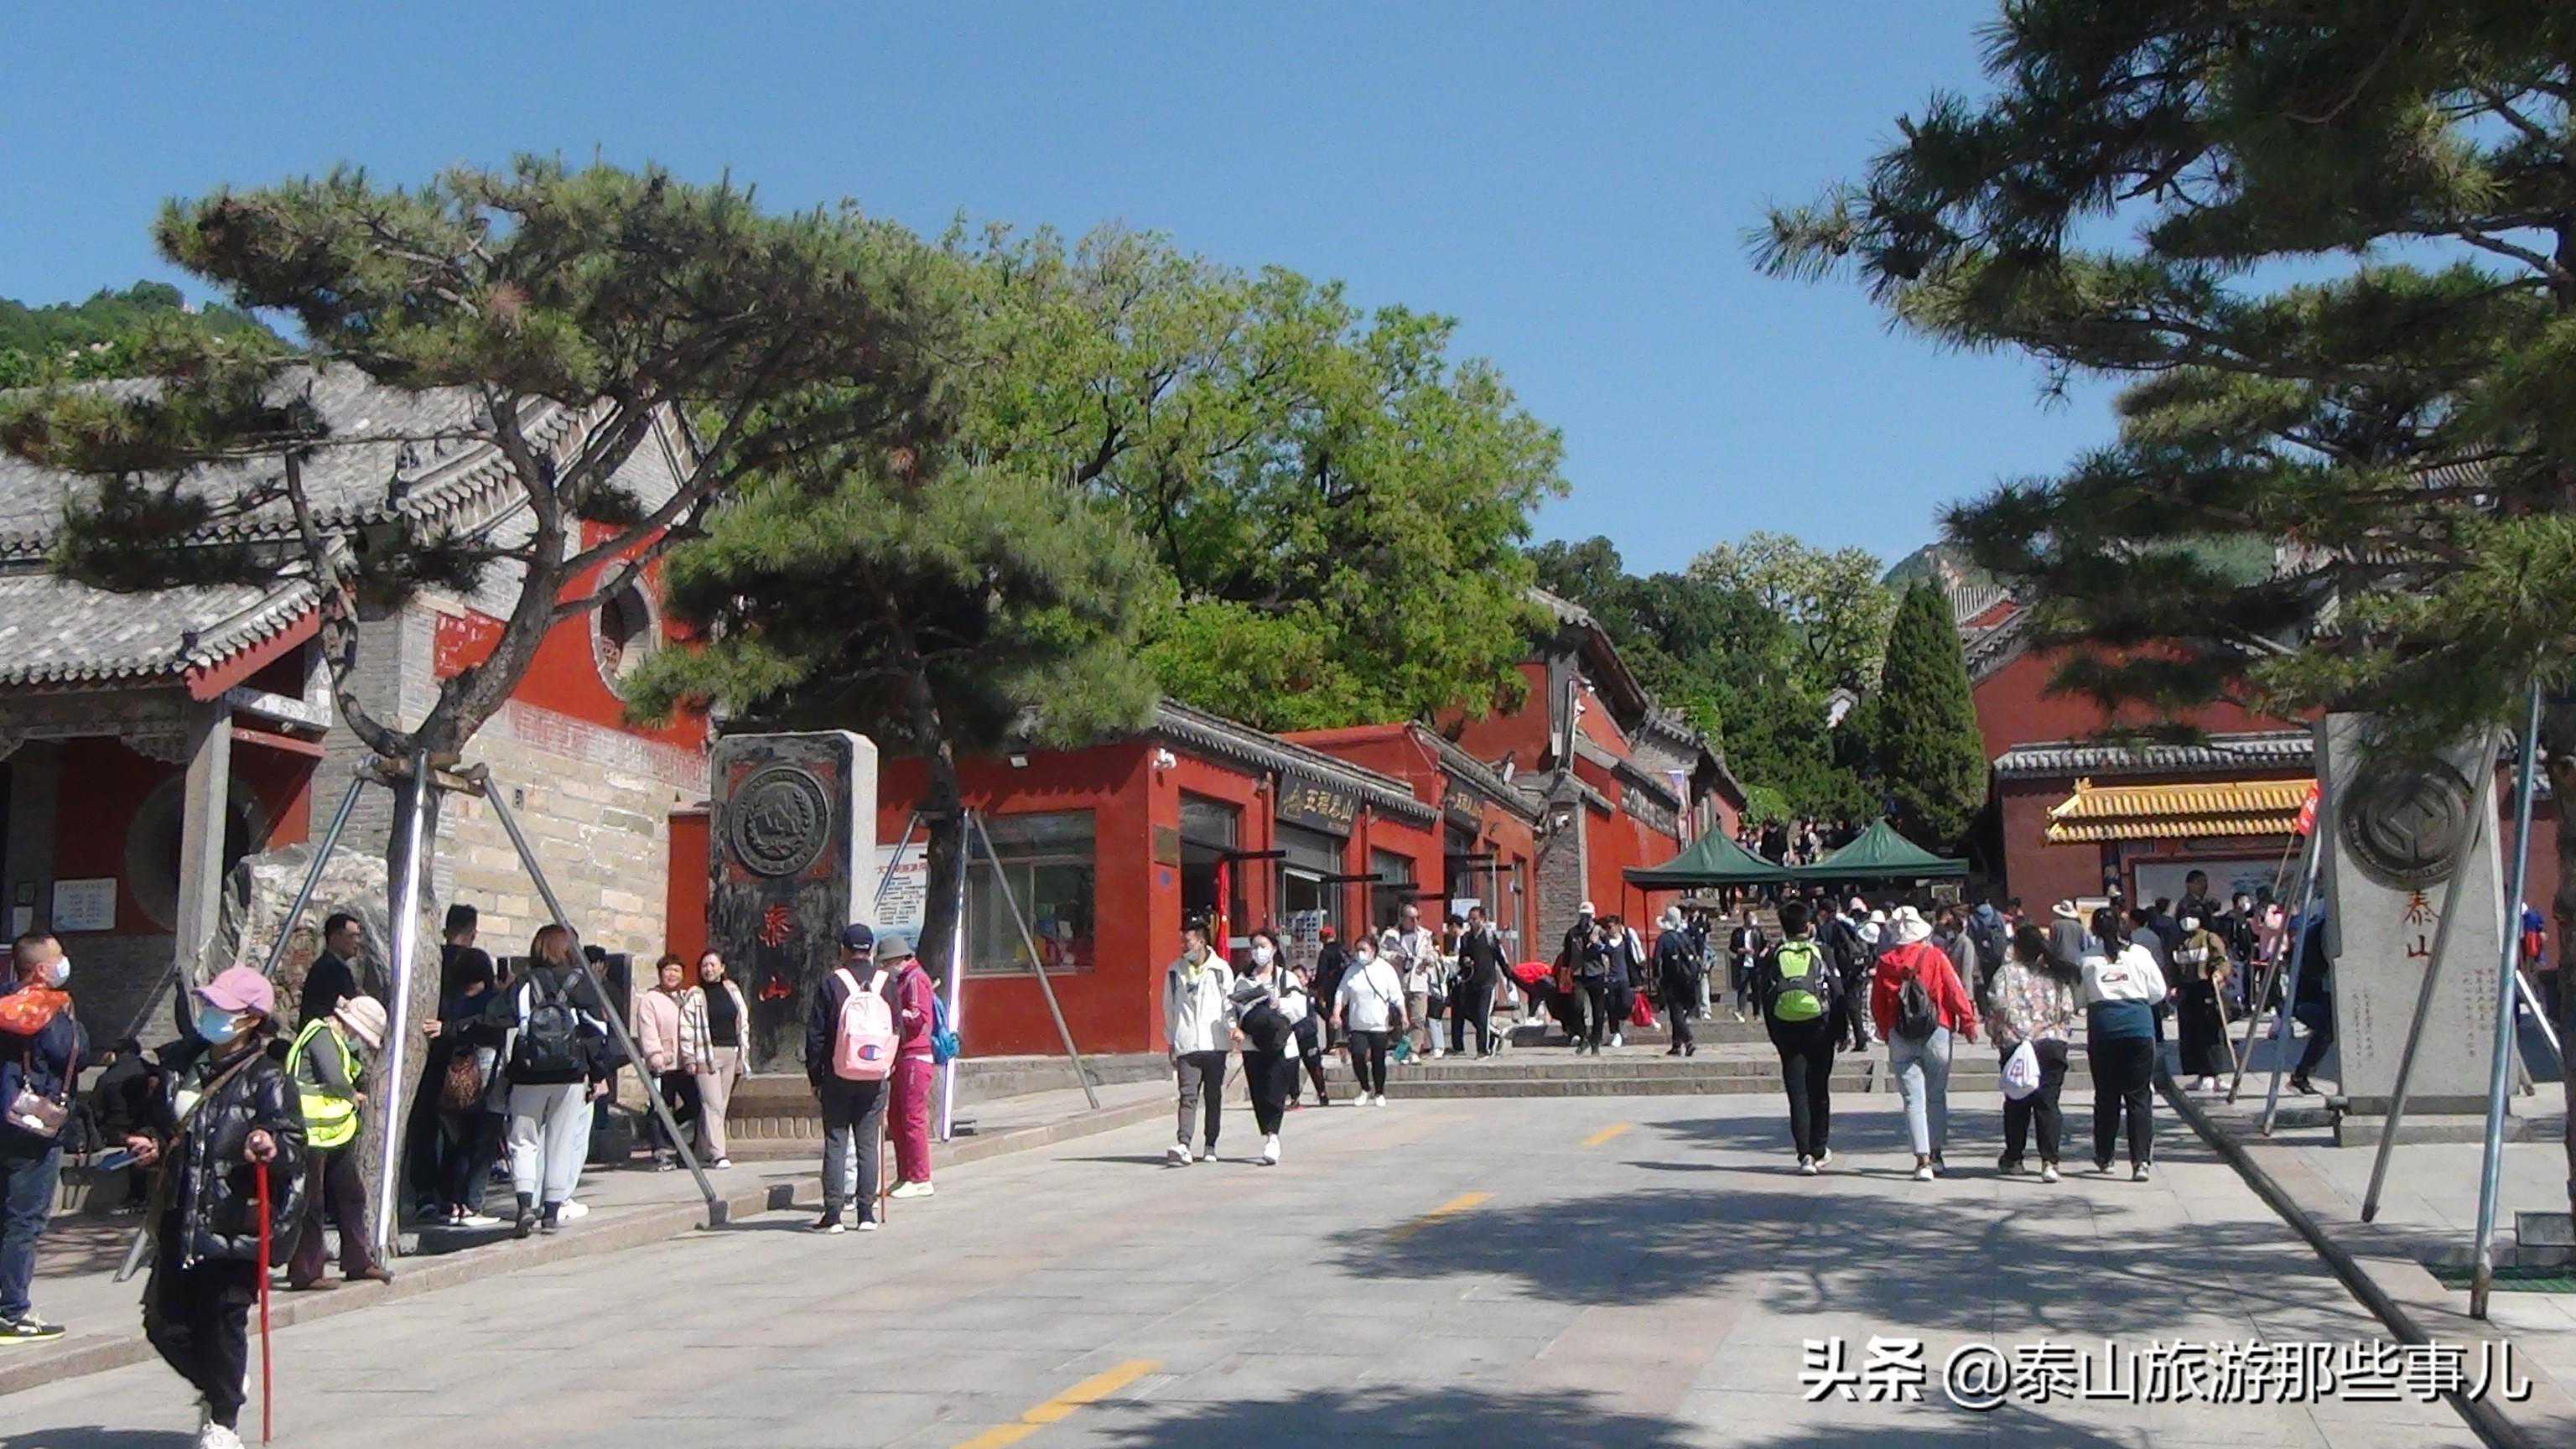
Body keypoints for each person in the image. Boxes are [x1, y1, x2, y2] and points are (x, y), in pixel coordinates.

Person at [118, 967, 306, 1449]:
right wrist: (152, 1142)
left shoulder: (267, 1077)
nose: (212, 1015)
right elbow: (167, 1127)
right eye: (211, 1005)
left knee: (223, 1321)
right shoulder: (182, 1065)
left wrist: (268, 1143)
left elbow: (292, 1145)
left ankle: (223, 1421)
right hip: (180, 1214)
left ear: (251, 1019)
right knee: (163, 1323)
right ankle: (223, 1384)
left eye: (224, 1008)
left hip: (232, 1216)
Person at [1, 933, 86, 1341]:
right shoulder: (51, 1009)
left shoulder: (4, 1003)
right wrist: (70, 1018)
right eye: (58, 957)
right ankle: (12, 1311)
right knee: (24, 1220)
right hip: (31, 1128)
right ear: (40, 969)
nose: (64, 962)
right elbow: (72, 1054)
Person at [501, 924, 610, 1238]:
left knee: (524, 1140)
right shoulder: (581, 983)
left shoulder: (524, 983)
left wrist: (452, 1027)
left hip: (528, 1073)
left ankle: (525, 1204)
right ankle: (551, 1212)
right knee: (561, 1143)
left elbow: (497, 1018)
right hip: (570, 1075)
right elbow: (596, 1034)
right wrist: (598, 1074)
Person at [283, 993, 392, 1289]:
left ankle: (358, 1261)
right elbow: (334, 1078)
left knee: (351, 1194)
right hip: (309, 1132)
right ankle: (306, 1272)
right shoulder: (321, 1036)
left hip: (333, 1133)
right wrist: (352, 1095)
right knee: (312, 1202)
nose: (359, 1041)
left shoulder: (335, 1040)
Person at [1870, 905, 1978, 1182]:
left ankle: (1922, 1159)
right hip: (1936, 1029)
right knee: (1936, 1095)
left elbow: (1877, 1003)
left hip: (1900, 1033)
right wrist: (1968, 1023)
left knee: (1912, 1099)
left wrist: (1886, 1031)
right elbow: (1954, 991)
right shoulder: (1935, 956)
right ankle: (1937, 1154)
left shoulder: (1885, 962)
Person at [804, 924, 891, 1232]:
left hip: (837, 1074)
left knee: (836, 1141)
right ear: (871, 949)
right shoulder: (885, 982)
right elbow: (897, 1030)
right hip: (875, 1075)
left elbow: (815, 1035)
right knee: (868, 1144)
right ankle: (866, 1213)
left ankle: (833, 1214)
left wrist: (815, 1076)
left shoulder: (832, 982)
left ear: (843, 949)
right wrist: (887, 1067)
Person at [1756, 901, 1848, 1175]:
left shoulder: (1774, 954)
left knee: (1797, 1093)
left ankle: (1804, 1154)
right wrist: (1841, 1030)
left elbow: (1765, 995)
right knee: (1818, 1089)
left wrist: (1775, 1033)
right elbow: (1837, 990)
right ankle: (1819, 1148)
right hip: (1819, 1028)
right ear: (1808, 926)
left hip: (1786, 1029)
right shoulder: (1822, 951)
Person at [419, 952, 506, 1225]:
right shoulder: (492, 1002)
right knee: (483, 1143)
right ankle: (471, 1205)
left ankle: (451, 1202)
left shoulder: (447, 1003)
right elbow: (494, 1028)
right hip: (485, 1079)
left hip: (450, 1083)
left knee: (456, 1145)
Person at [2081, 908, 2168, 1179]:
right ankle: (2140, 1161)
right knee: (2139, 1096)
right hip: (2138, 1027)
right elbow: (2158, 992)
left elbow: (2080, 998)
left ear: (2094, 930)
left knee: (2106, 1095)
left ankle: (2105, 1156)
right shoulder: (2140, 954)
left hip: (2104, 1030)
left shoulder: (2087, 959)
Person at [1987, 925, 2080, 1182]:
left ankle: (2014, 1157)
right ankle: (2050, 1161)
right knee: (2047, 1103)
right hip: (2050, 1042)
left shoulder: (2006, 974)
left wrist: (1997, 1034)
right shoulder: (2056, 975)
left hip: (2016, 1043)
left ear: (2017, 948)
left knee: (2016, 1101)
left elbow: (1998, 1007)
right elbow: (2067, 1009)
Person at [1166, 921, 1240, 1164]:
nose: (1183, 946)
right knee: (1187, 1096)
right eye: (1182, 941)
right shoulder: (1174, 971)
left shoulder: (1220, 969)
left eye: (1187, 941)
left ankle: (1210, 1145)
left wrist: (1232, 1028)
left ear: (1201, 941)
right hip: (1187, 1042)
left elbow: (1228, 1003)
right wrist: (1171, 1040)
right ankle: (1184, 1144)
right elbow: (1168, 1008)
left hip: (1215, 1043)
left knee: (1213, 1096)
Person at [880, 935, 940, 1198]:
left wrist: (891, 1012)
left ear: (898, 959)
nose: (886, 968)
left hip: (916, 1055)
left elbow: (918, 1016)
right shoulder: (904, 980)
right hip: (903, 1055)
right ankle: (905, 1175)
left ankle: (920, 1177)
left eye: (887, 963)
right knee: (897, 1118)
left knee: (912, 1118)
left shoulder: (915, 979)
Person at [634, 953, 701, 1172]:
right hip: (662, 1064)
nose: (672, 975)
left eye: (676, 971)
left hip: (684, 1063)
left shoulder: (685, 997)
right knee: (660, 1107)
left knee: (695, 1105)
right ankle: (660, 1151)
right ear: (660, 973)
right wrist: (655, 1056)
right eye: (668, 970)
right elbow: (648, 1030)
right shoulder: (650, 1000)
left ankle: (680, 1147)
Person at [1230, 950, 1298, 1165]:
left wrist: (1280, 1004)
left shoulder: (1286, 977)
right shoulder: (1243, 981)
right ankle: (1268, 1132)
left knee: (1275, 1091)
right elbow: (1230, 1008)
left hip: (1280, 1044)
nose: (1258, 950)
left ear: (1274, 948)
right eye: (1254, 946)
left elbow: (1301, 1008)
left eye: (1263, 945)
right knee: (1259, 1093)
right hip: (1252, 1044)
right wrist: (1234, 1028)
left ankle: (1273, 1137)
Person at [689, 949, 752, 1168]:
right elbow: (687, 1028)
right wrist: (690, 1058)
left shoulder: (732, 990)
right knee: (712, 1104)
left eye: (713, 965)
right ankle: (719, 1154)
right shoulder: (695, 995)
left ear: (722, 968)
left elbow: (743, 1021)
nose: (708, 969)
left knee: (720, 1105)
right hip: (706, 1054)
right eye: (704, 965)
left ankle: (700, 1151)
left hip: (730, 1052)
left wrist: (742, 1055)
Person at [1333, 932, 1406, 1106]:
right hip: (1358, 1023)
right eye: (1357, 950)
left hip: (1379, 1023)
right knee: (1358, 1055)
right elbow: (1342, 993)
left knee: (1378, 1058)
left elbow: (1396, 994)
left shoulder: (1385, 969)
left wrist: (1403, 1014)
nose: (1360, 953)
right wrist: (1336, 1013)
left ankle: (1379, 1092)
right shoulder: (1352, 970)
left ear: (1373, 949)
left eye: (1364, 949)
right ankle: (1365, 1088)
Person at [2168, 912, 2234, 1092]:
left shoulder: (2209, 938)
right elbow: (2172, 966)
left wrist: (2220, 973)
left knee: (2210, 1032)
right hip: (2186, 991)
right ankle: (2199, 1073)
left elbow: (2222, 960)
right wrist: (2173, 985)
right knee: (2190, 1034)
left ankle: (2214, 1073)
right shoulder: (2179, 942)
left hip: (2206, 988)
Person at [2288, 911, 2334, 1095]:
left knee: (2327, 1032)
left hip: (2314, 993)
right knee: (2327, 1031)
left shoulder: (2320, 925)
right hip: (2316, 994)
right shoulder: (2326, 929)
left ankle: (2301, 1075)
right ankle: (2300, 1075)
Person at [1450, 906, 1505, 1057]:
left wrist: (1509, 976)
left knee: (1482, 1015)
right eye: (1470, 919)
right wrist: (1465, 961)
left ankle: (1483, 1050)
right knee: (1472, 1014)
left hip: (1487, 982)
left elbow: (1500, 959)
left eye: (1475, 919)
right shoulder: (1466, 938)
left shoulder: (1490, 937)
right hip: (1471, 982)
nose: (1471, 922)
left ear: (1483, 920)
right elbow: (1461, 959)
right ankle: (1495, 1033)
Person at [299, 911, 365, 1027]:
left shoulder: (329, 966)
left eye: (358, 936)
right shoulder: (331, 969)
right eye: (352, 936)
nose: (357, 941)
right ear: (335, 937)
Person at [1654, 908, 1703, 1057]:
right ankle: (1676, 1044)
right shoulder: (1685, 937)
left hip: (1671, 979)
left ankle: (1688, 1041)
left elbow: (1656, 959)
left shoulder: (1663, 939)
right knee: (1679, 1011)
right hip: (1688, 979)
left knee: (1676, 1012)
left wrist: (1657, 977)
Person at [1934, 906, 1983, 1000]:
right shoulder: (1950, 942)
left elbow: (1967, 972)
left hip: (1963, 991)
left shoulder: (1965, 943)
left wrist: (1967, 997)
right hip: (1953, 988)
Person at [1728, 908, 1764, 1021]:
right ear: (1746, 918)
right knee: (1742, 988)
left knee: (1756, 989)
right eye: (1751, 917)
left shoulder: (1758, 931)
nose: (1753, 919)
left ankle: (1757, 1013)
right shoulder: (1738, 932)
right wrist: (1742, 950)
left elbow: (1766, 943)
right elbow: (1732, 947)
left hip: (1756, 964)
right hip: (1743, 964)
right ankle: (1741, 1011)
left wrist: (1762, 953)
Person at [2048, 900, 2094, 964]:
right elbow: (2084, 945)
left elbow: (2052, 944)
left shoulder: (2055, 924)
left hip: (2060, 959)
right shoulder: (2079, 926)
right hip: (2077, 960)